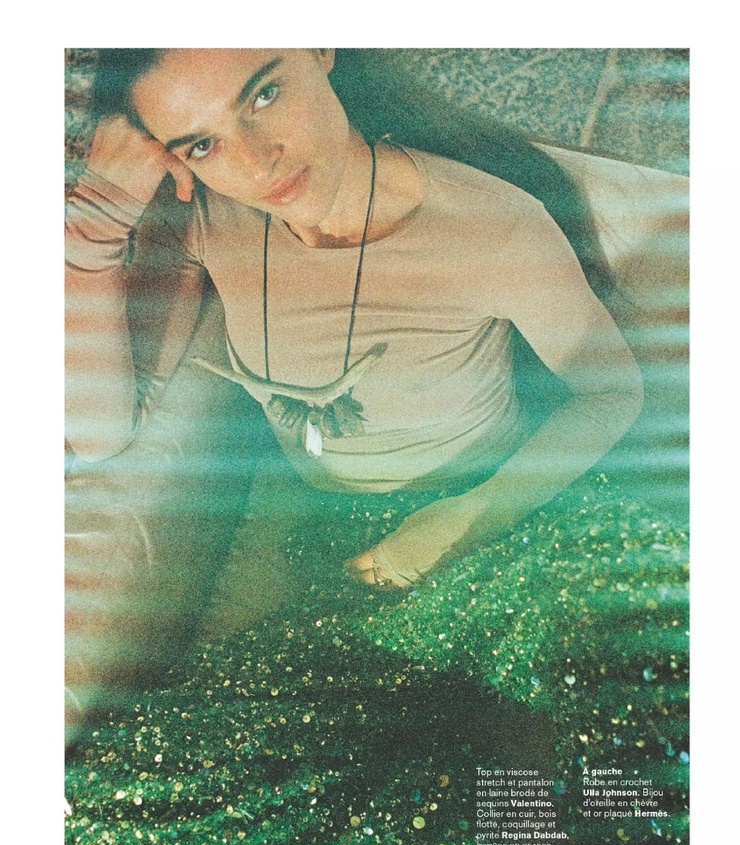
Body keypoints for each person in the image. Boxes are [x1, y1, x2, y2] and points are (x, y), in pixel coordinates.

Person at [65, 48, 644, 594]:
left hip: (490, 516)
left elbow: (614, 393)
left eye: (264, 95)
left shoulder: (494, 228)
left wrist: (475, 516)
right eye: (202, 145)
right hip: (323, 529)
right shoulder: (202, 216)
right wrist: (92, 229)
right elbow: (98, 436)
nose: (258, 164)